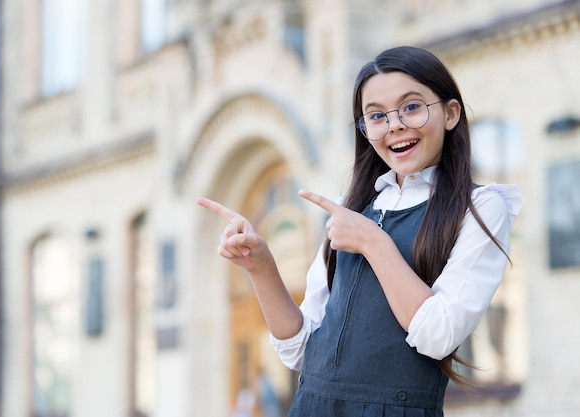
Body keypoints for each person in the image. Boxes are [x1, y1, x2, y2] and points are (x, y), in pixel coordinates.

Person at [197, 45, 521, 416]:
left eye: (412, 107)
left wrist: (372, 241)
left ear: (450, 113)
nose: (395, 124)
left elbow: (438, 333)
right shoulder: (351, 208)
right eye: (377, 116)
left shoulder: (480, 209)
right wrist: (261, 266)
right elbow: (302, 350)